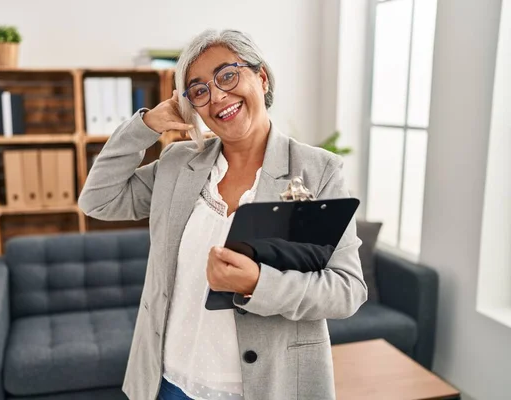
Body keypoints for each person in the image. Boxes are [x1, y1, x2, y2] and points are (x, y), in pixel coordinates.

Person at [78, 29, 367, 400]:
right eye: (198, 90)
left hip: (267, 388)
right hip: (170, 383)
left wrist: (257, 283)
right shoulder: (178, 164)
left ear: (261, 77)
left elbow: (347, 290)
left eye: (227, 75)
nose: (217, 96)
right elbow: (98, 199)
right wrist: (146, 125)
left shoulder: (317, 170)